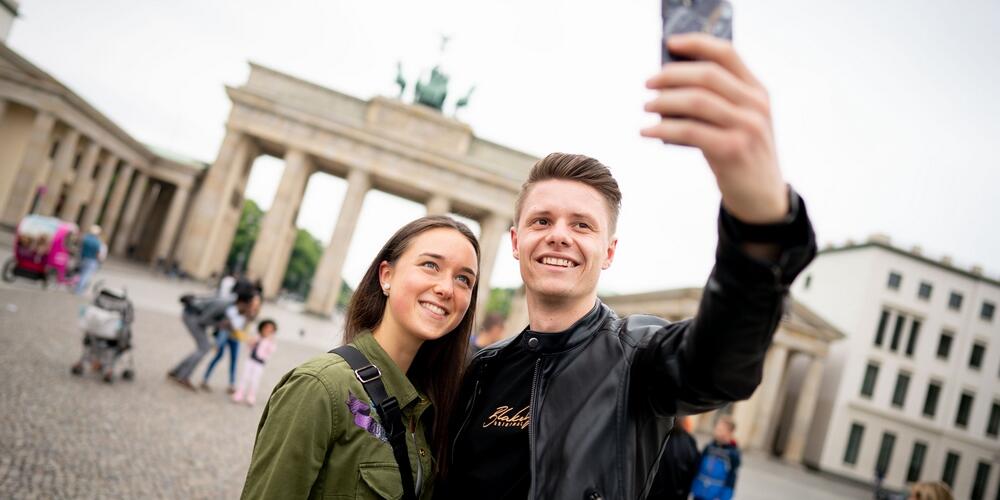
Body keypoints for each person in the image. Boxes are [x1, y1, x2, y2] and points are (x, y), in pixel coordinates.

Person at [437, 33, 816, 499]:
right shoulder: (481, 371)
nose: (559, 234)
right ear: (516, 242)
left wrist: (758, 225)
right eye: (542, 220)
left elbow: (720, 363)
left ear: (609, 251)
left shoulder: (639, 358)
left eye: (582, 225)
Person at [241, 216, 481, 499]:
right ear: (386, 276)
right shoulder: (320, 388)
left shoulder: (432, 405)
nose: (446, 288)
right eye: (431, 265)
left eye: (463, 279)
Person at [169, 292, 260, 391]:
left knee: (204, 347)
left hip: (195, 316)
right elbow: (203, 320)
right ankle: (183, 377)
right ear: (243, 302)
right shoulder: (224, 305)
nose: (249, 309)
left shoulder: (231, 304)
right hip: (191, 315)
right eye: (249, 306)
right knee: (204, 347)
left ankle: (176, 372)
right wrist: (220, 323)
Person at [199, 304, 249, 393]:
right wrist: (219, 342)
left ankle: (232, 384)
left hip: (235, 337)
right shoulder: (232, 309)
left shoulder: (248, 313)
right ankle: (205, 379)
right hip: (225, 335)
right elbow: (225, 325)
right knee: (218, 356)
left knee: (233, 360)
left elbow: (244, 327)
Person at [648, 416, 700, 500]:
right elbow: (694, 469)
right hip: (677, 493)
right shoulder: (690, 441)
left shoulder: (658, 437)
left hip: (655, 493)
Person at [691, 416, 741, 500]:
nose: (716, 431)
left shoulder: (733, 454)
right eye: (716, 428)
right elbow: (697, 468)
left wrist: (725, 497)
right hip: (699, 493)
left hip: (715, 496)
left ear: (730, 432)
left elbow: (731, 479)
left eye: (720, 430)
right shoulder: (709, 447)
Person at [231, 319, 278, 406]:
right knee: (244, 377)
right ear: (262, 328)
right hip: (251, 359)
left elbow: (271, 350)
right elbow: (249, 344)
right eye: (266, 328)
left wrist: (268, 340)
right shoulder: (257, 336)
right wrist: (254, 340)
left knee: (255, 380)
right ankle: (239, 393)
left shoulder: (271, 341)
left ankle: (251, 395)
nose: (267, 330)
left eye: (270, 329)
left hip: (260, 362)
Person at [73, 225, 106, 294]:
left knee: (81, 274)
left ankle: (76, 288)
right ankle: (79, 290)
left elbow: (78, 246)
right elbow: (98, 254)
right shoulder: (97, 242)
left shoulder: (85, 238)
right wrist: (100, 261)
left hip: (83, 258)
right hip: (92, 260)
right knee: (86, 275)